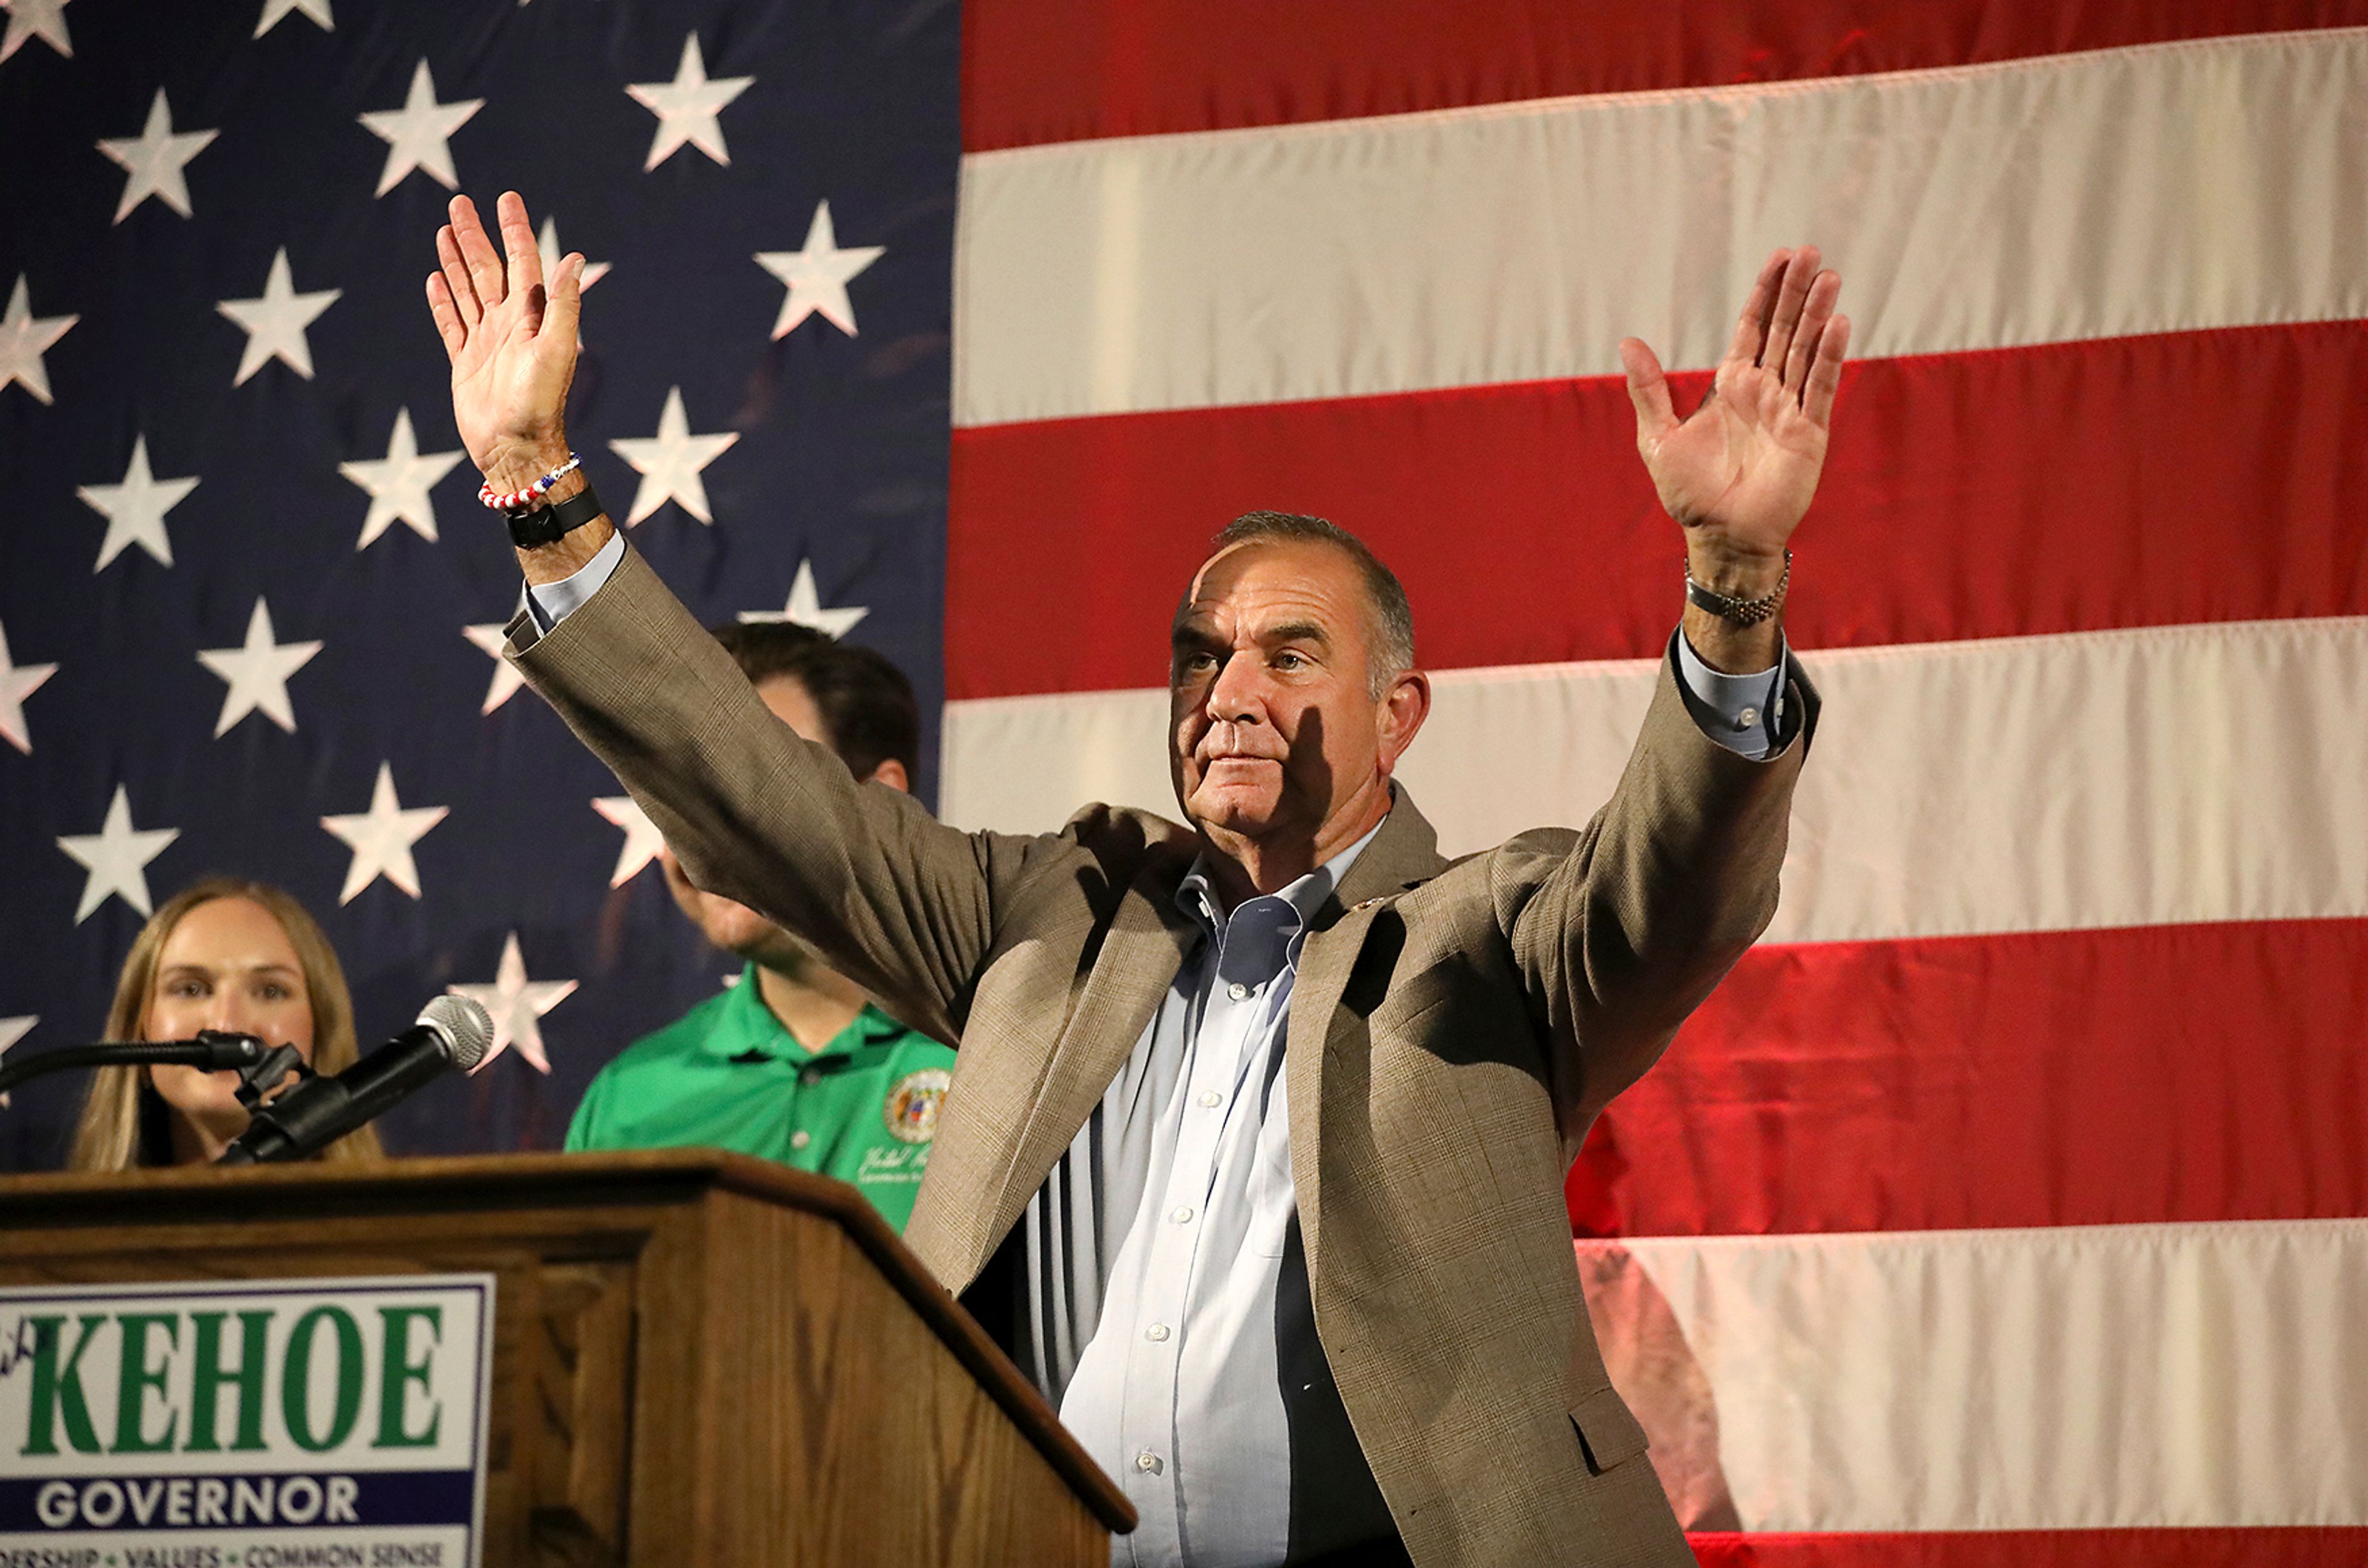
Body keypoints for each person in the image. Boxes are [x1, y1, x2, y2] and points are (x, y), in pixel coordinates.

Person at [426, 191, 1844, 1567]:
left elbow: (1677, 870)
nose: (1226, 689)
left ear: (1395, 715)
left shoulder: (1485, 939)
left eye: (1288, 654)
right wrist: (541, 490)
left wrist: (1731, 573)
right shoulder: (1055, 915)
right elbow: (756, 795)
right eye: (1198, 652)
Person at [565, 620, 961, 1230]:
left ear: (884, 801)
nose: (704, 840)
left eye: (758, 788)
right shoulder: (627, 1099)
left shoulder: (998, 1056)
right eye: (680, 798)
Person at [70, 876, 383, 1170]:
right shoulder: (69, 1225)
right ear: (138, 1031)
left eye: (270, 991)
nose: (226, 1023)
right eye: (191, 989)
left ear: (322, 1028)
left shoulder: (392, 1226)